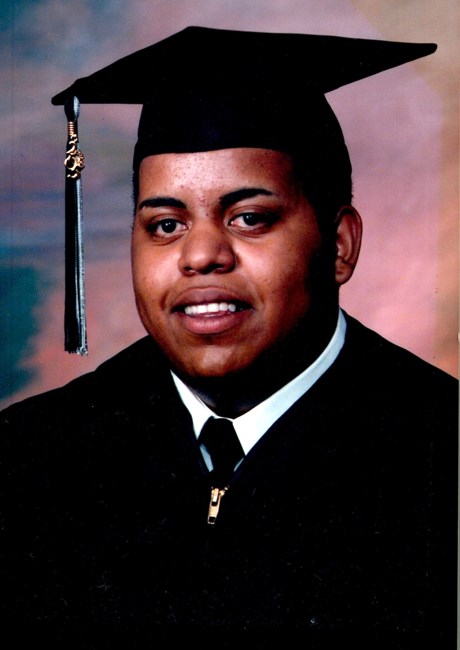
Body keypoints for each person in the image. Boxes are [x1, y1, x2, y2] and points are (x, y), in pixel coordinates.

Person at [0, 26, 457, 647]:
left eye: (249, 217)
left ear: (339, 245)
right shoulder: (31, 458)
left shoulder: (440, 453)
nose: (201, 256)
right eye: (165, 225)